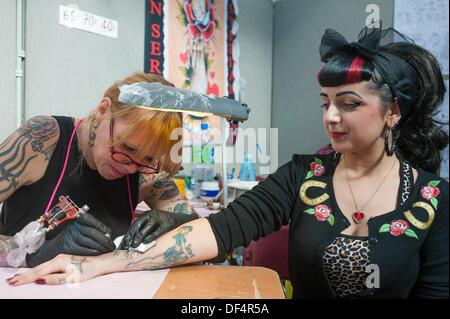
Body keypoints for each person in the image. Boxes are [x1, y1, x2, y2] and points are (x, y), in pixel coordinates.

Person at [7, 23, 449, 299]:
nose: (330, 117)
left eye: (348, 103)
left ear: (393, 113)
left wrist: (170, 221)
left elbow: (186, 219)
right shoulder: (304, 175)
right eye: (325, 102)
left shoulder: (435, 199)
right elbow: (221, 229)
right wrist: (71, 261)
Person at [0, 72, 198, 268]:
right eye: (127, 148)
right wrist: (36, 253)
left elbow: (198, 229)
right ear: (103, 111)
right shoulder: (42, 139)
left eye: (147, 158)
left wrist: (173, 221)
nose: (131, 168)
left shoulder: (143, 173)